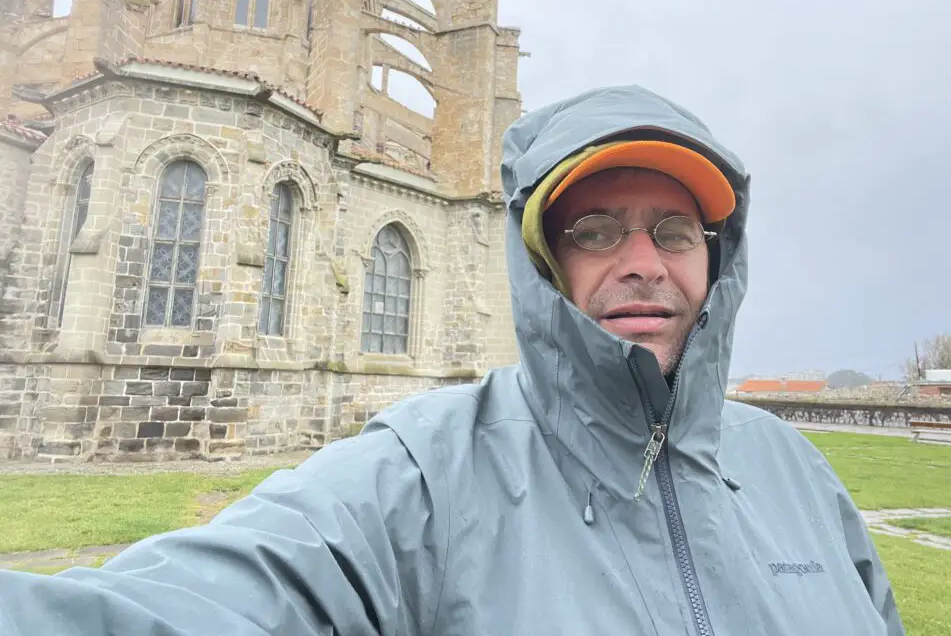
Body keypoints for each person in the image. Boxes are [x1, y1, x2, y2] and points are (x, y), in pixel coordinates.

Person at [0, 85, 903, 635]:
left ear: (715, 259)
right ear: (542, 262)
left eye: (675, 230)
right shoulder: (423, 471)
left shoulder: (798, 474)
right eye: (594, 230)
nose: (642, 260)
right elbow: (203, 607)